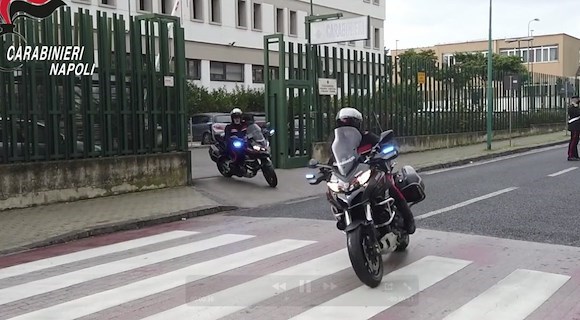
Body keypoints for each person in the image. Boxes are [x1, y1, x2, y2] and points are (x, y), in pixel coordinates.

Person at [326, 107, 416, 235]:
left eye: (349, 122)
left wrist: (384, 151)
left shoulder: (367, 137)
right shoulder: (338, 143)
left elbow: (382, 145)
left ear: (357, 123)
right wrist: (325, 169)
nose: (346, 126)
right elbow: (333, 159)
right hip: (353, 176)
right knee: (334, 193)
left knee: (391, 186)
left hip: (375, 169)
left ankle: (409, 219)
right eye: (342, 123)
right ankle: (345, 218)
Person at [568, 96, 580, 161]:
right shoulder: (571, 108)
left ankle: (575, 155)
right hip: (574, 126)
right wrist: (576, 107)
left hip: (577, 126)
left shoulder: (576, 107)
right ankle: (571, 155)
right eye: (577, 99)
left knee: (576, 141)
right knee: (573, 141)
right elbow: (577, 113)